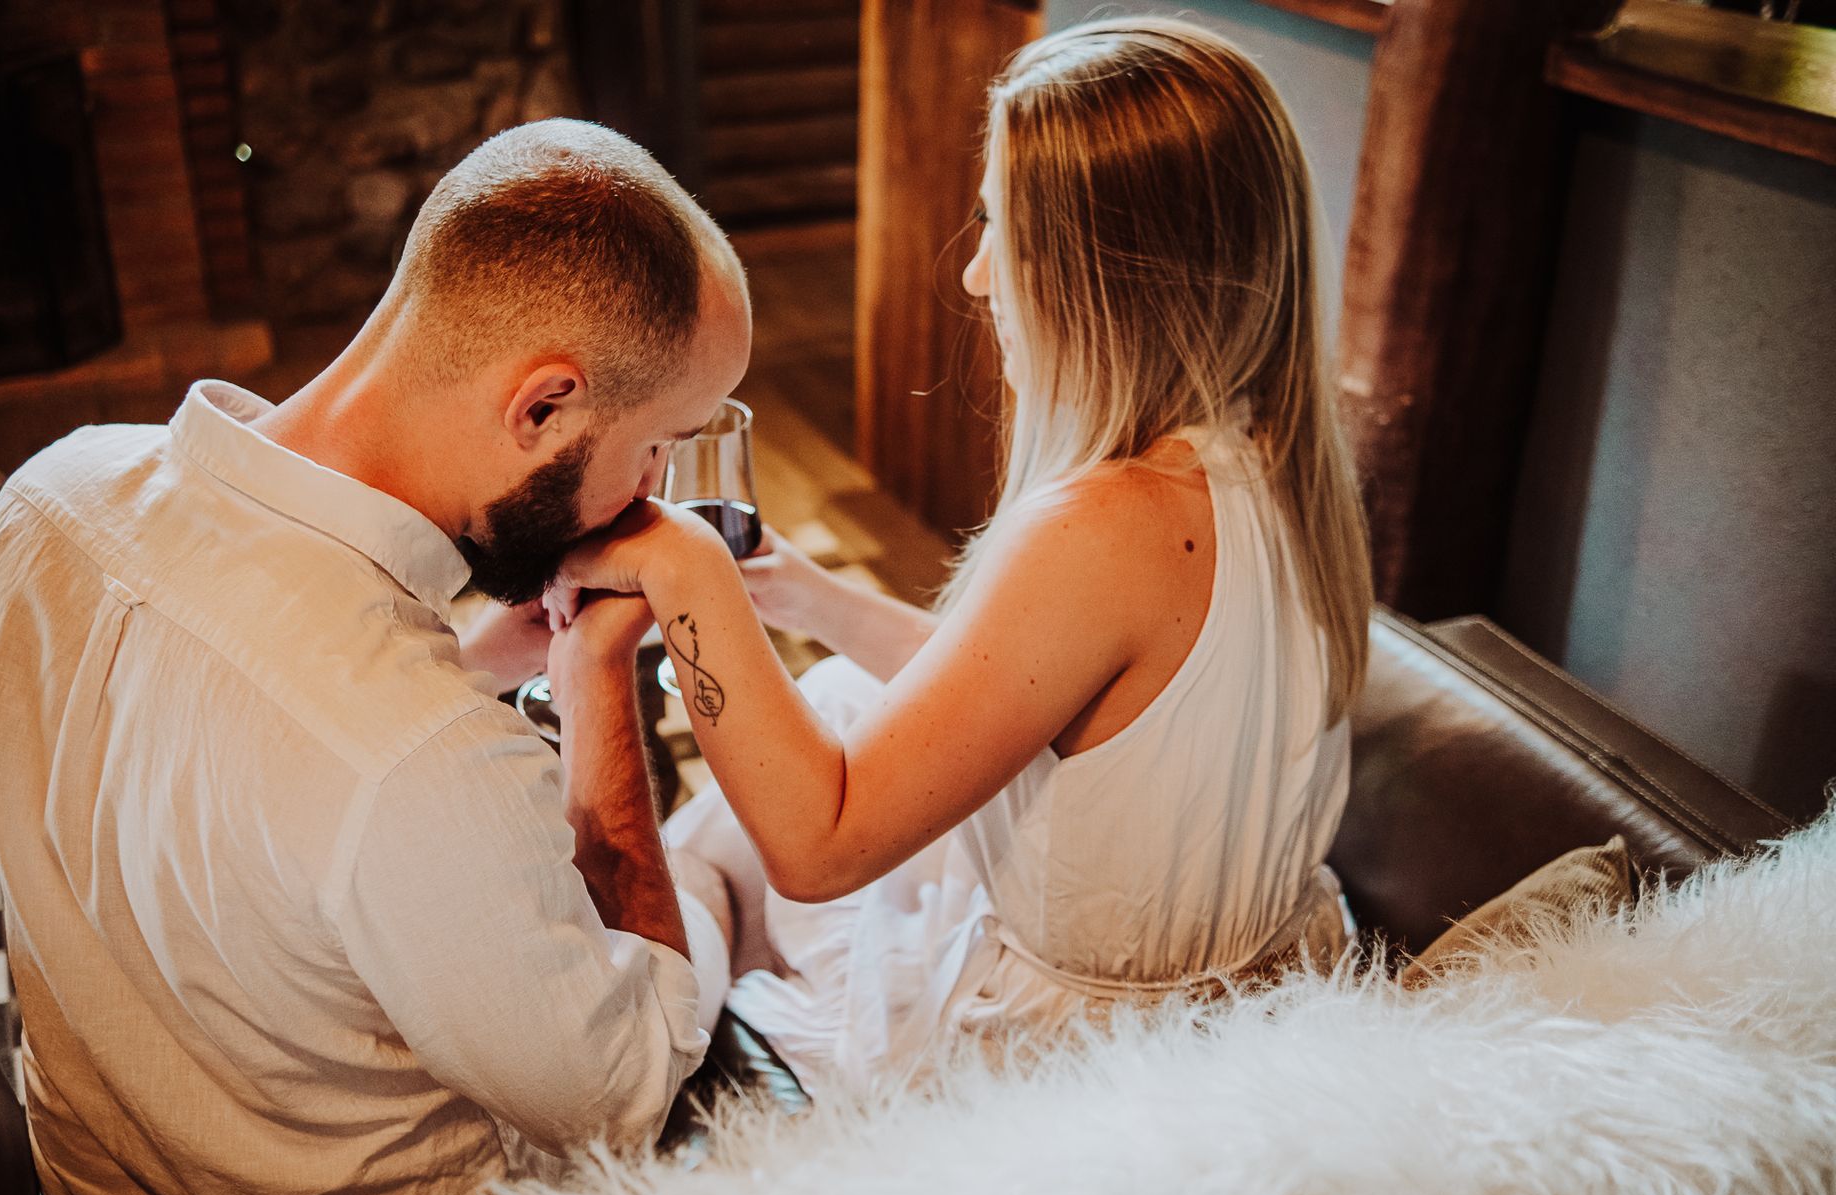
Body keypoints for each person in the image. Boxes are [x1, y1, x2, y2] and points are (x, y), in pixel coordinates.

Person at [0, 120, 748, 1195]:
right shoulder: (420, 754)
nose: (651, 493)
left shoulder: (40, 506)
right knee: (739, 892)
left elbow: (234, 752)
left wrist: (467, 662)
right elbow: (623, 1086)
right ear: (543, 409)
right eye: (658, 445)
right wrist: (595, 679)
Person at [546, 19, 1374, 1093]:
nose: (979, 278)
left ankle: (614, 1060)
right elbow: (1050, 693)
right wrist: (812, 598)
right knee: (840, 691)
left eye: (1005, 231)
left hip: (1084, 1063)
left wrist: (684, 564)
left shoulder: (1099, 525)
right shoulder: (1277, 460)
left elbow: (820, 848)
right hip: (1253, 990)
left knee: (711, 858)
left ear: (1114, 275)